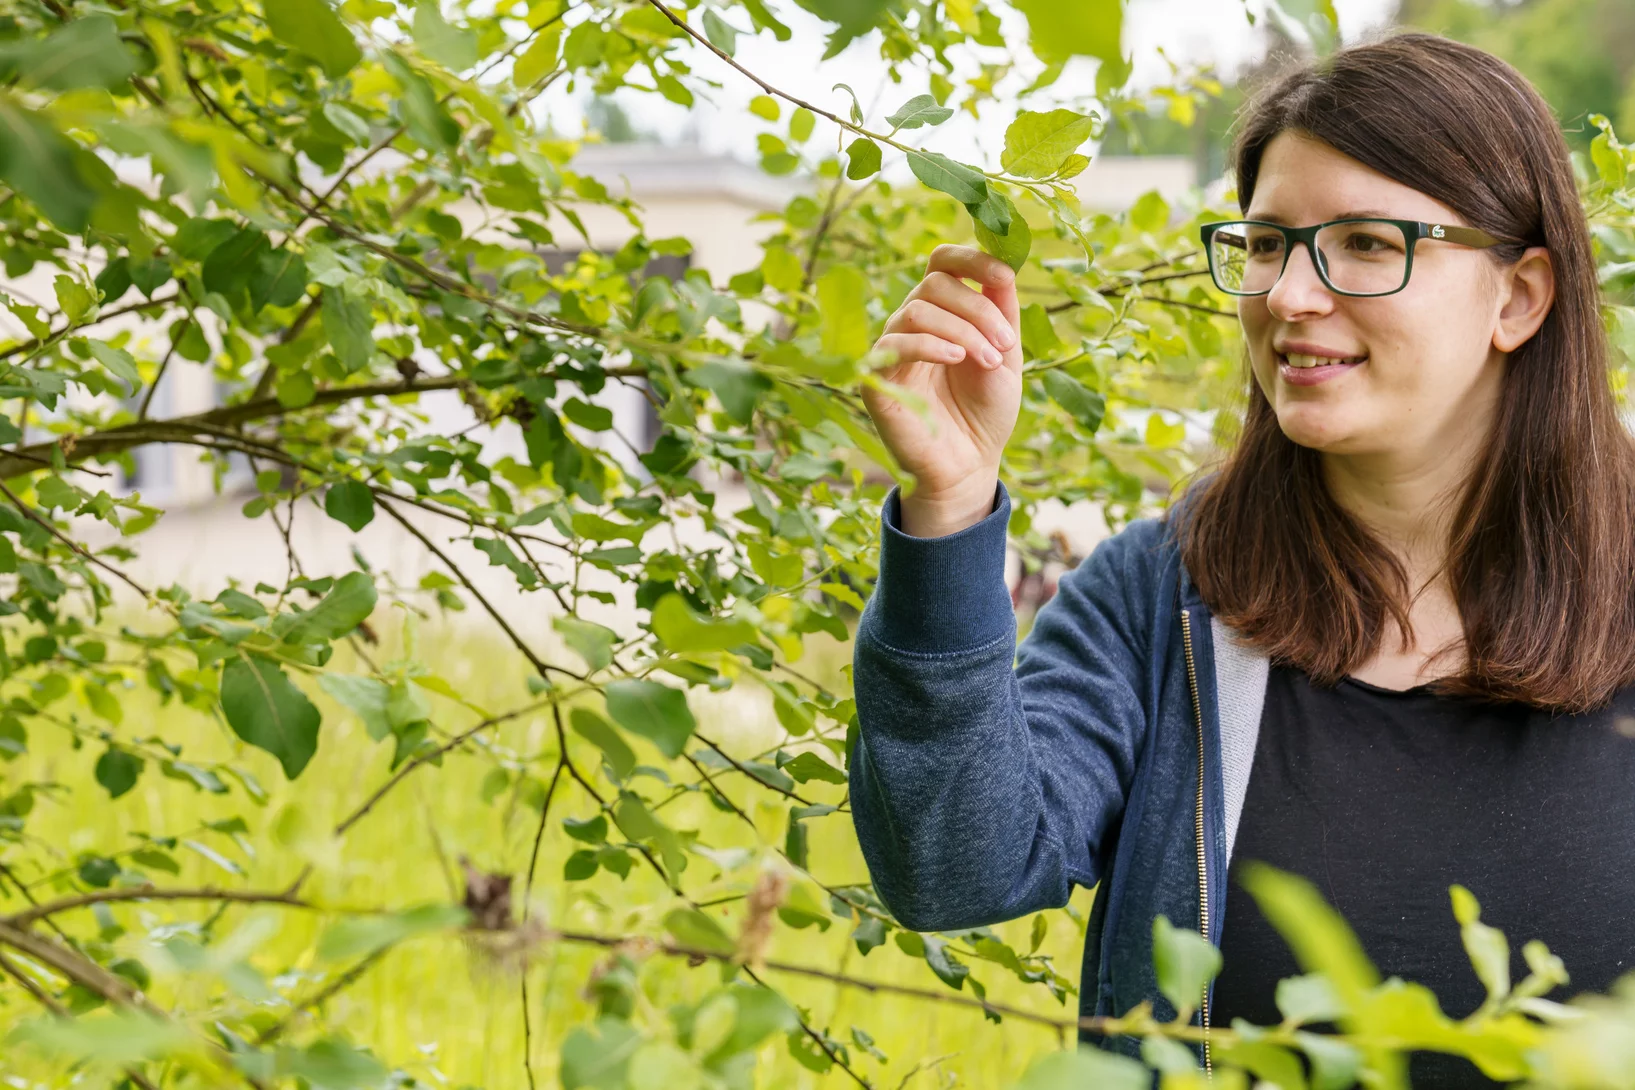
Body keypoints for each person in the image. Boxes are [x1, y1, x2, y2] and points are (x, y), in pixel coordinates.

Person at [848, 31, 1635, 1086]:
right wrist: (947, 506)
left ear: (1520, 298)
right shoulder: (1165, 593)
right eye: (1268, 245)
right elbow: (955, 869)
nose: (1290, 298)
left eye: (1364, 242)